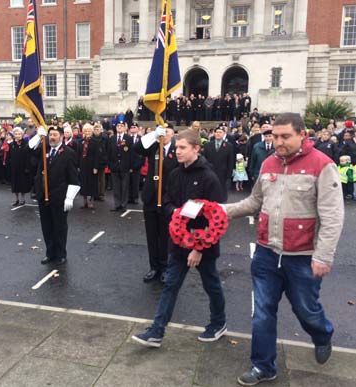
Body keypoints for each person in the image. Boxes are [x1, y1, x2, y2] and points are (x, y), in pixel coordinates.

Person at [224, 113, 344, 386]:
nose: (278, 142)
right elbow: (254, 202)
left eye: (285, 136)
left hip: (302, 258)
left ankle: (322, 334)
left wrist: (323, 256)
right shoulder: (268, 163)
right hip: (267, 254)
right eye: (275, 136)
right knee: (263, 311)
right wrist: (221, 210)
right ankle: (263, 366)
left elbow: (333, 216)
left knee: (306, 310)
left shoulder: (322, 165)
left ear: (302, 134)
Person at [132, 129, 227, 347]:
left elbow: (215, 217)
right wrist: (174, 213)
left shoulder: (208, 177)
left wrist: (199, 249)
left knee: (211, 285)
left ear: (196, 148)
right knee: (170, 286)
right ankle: (157, 331)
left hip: (203, 245)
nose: (178, 151)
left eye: (183, 147)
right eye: (176, 148)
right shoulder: (175, 174)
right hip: (179, 242)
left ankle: (218, 323)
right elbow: (167, 201)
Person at [29, 126, 80, 265]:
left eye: (55, 135)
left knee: (60, 226)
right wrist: (38, 136)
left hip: (59, 196)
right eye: (50, 135)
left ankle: (61, 254)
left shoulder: (68, 153)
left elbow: (73, 177)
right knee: (46, 226)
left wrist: (70, 197)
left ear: (61, 136)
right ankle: (50, 253)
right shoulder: (44, 150)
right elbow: (29, 150)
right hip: (43, 195)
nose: (52, 137)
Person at [134, 124, 178, 283]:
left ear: (173, 134)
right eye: (162, 132)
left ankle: (166, 267)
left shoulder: (177, 150)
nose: (164, 134)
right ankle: (154, 267)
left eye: (167, 132)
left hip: (168, 200)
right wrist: (153, 134)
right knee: (152, 235)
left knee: (166, 236)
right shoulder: (153, 147)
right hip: (151, 197)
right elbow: (137, 148)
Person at [202, 126, 234, 202]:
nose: (218, 134)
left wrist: (229, 175)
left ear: (224, 134)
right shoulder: (207, 145)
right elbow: (204, 160)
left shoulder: (229, 146)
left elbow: (230, 161)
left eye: (220, 132)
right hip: (209, 172)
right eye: (216, 132)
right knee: (209, 193)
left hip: (223, 174)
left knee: (222, 195)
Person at [108, 121, 133, 212]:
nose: (119, 127)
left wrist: (131, 166)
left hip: (125, 166)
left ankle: (123, 205)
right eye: (118, 126)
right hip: (114, 166)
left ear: (125, 128)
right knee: (116, 186)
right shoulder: (112, 138)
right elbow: (109, 153)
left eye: (121, 126)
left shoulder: (128, 138)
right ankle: (117, 204)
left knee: (125, 186)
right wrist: (110, 165)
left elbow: (131, 153)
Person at [78, 123, 99, 209]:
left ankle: (91, 201)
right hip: (83, 164)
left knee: (91, 183)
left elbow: (97, 155)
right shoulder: (80, 141)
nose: (87, 132)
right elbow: (78, 154)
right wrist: (78, 165)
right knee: (83, 182)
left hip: (91, 165)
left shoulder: (95, 141)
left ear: (92, 131)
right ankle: (84, 201)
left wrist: (96, 167)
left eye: (89, 131)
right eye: (86, 130)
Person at [10, 127, 32, 206]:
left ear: (22, 135)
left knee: (22, 183)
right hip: (14, 167)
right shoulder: (12, 144)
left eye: (19, 134)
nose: (17, 135)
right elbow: (10, 157)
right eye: (16, 134)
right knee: (15, 184)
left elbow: (28, 156)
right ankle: (16, 199)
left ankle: (23, 199)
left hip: (23, 167)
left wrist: (27, 167)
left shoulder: (26, 144)